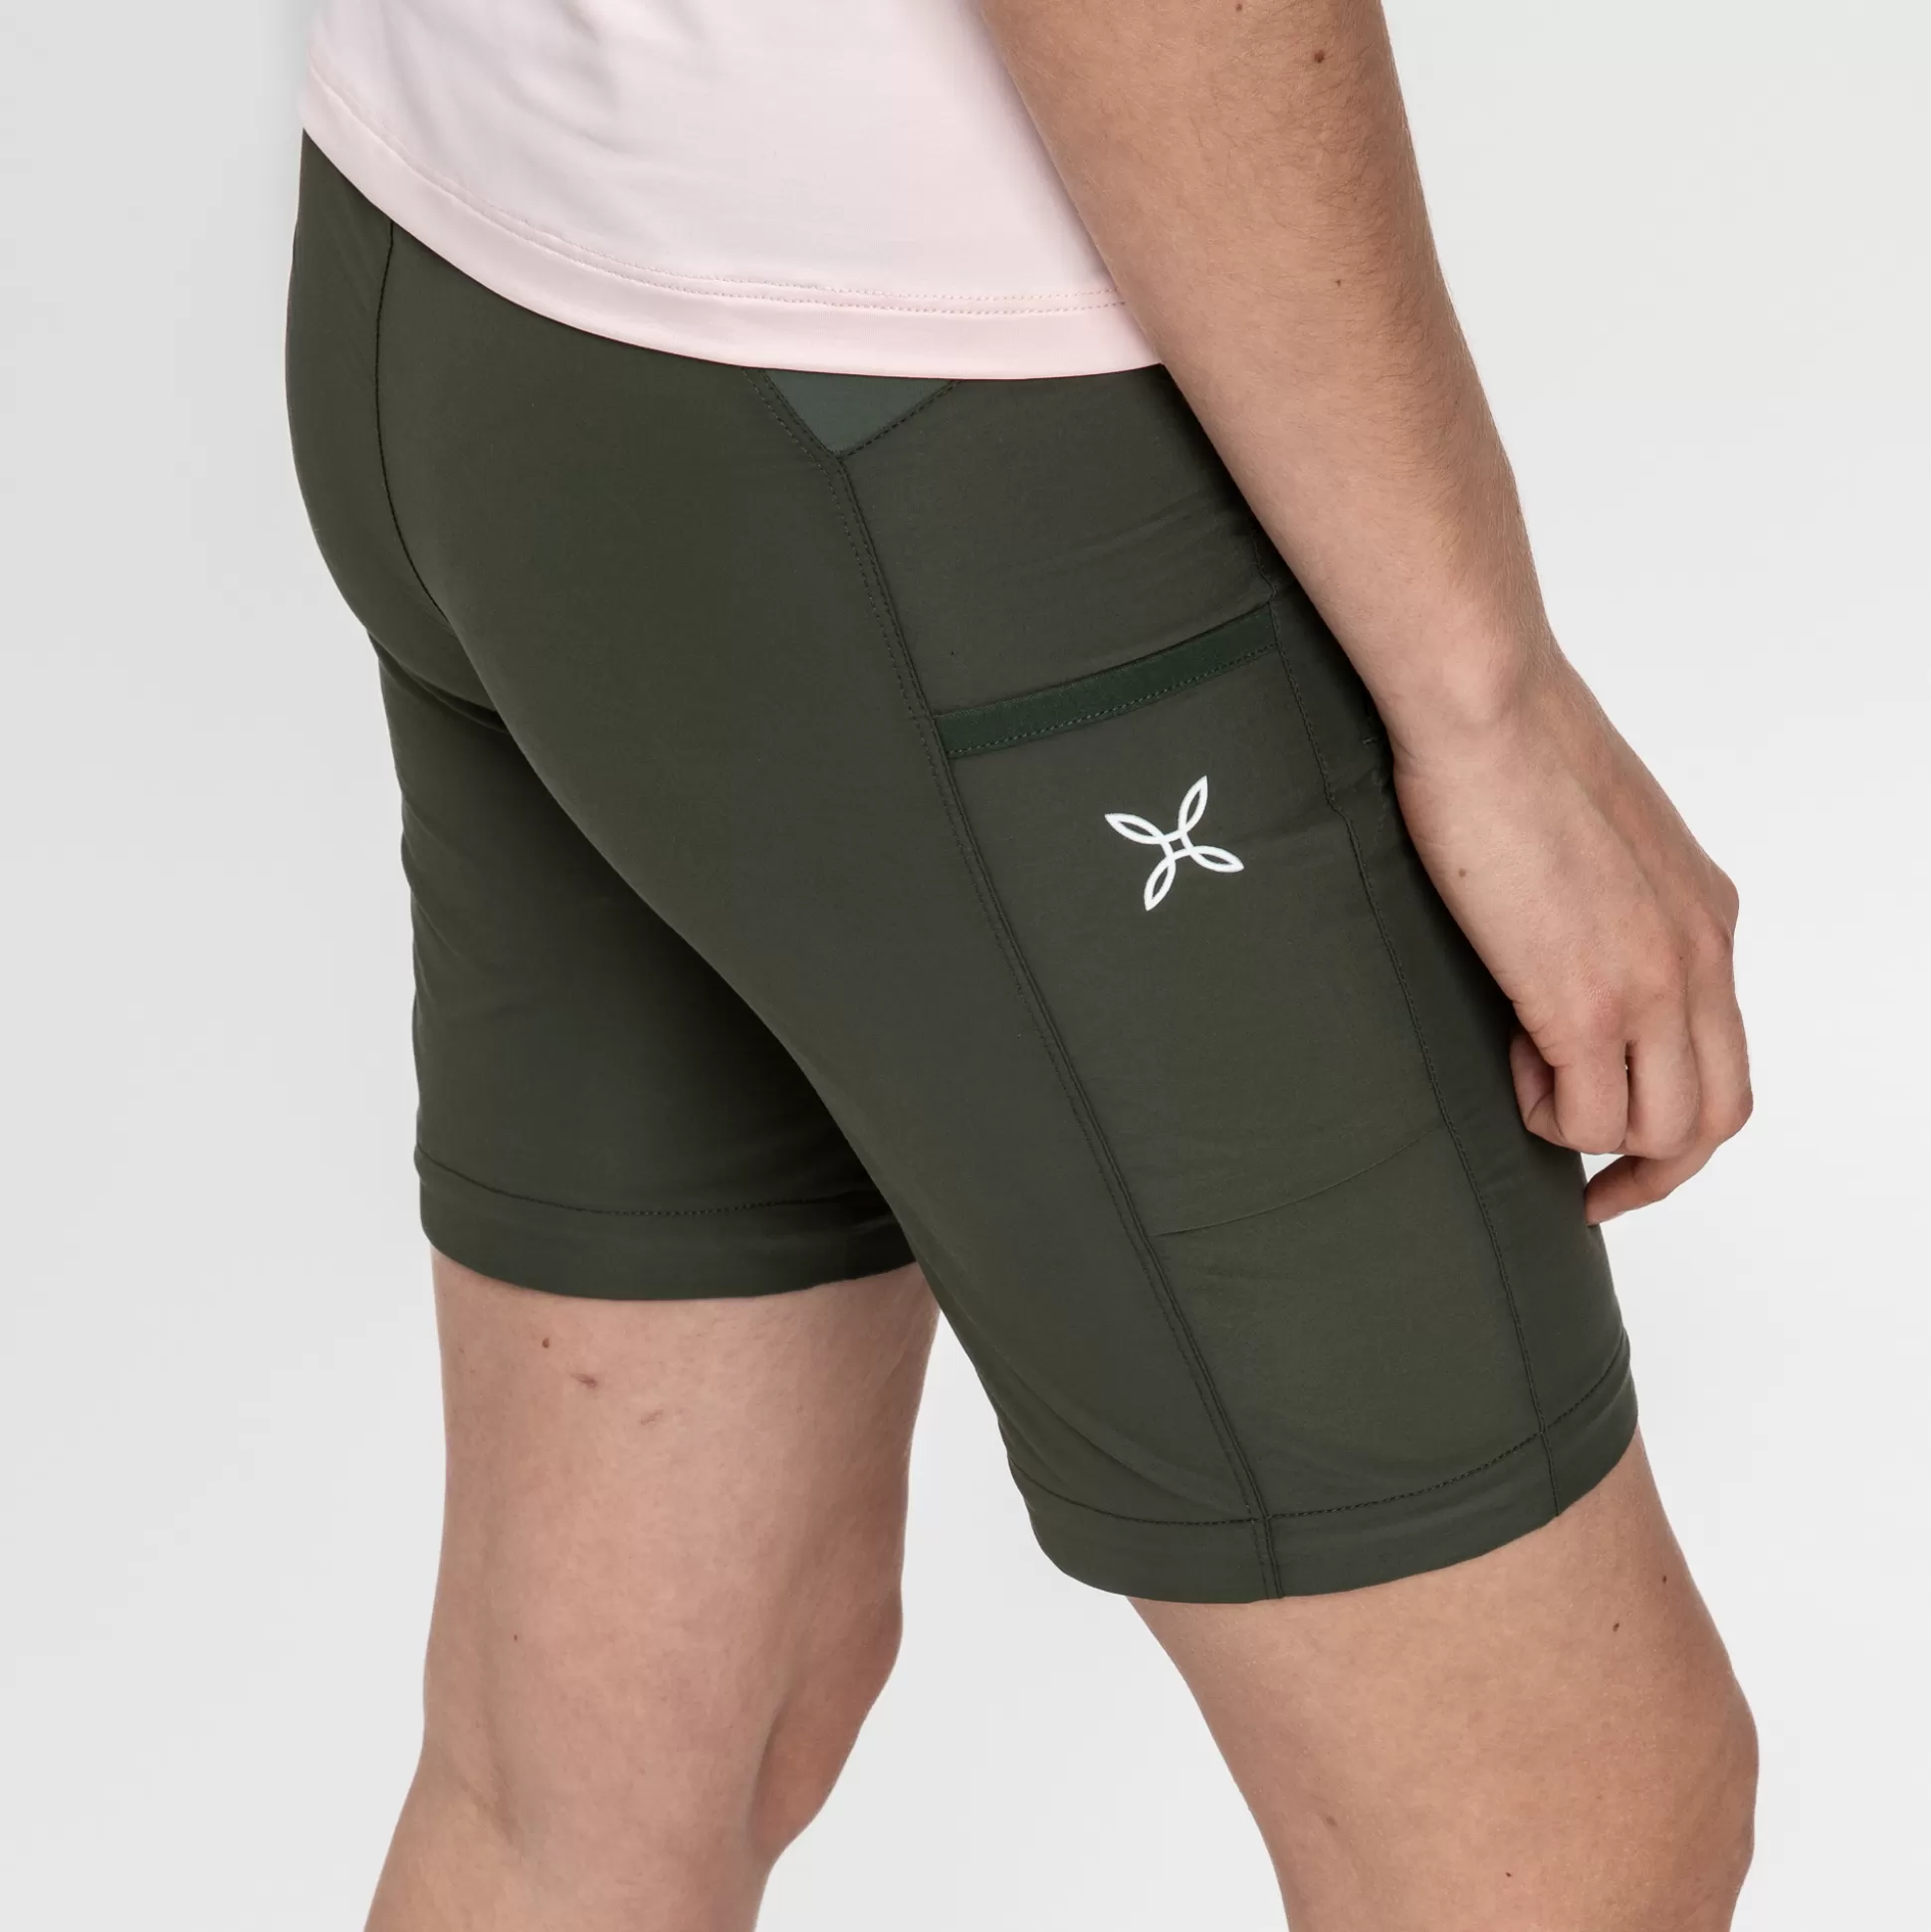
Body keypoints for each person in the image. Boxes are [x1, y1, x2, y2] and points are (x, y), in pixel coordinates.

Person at [284, 0, 1758, 1924]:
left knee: (619, 1770)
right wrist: (1492, 710)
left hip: (475, 292)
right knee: (1570, 1830)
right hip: (935, 444)